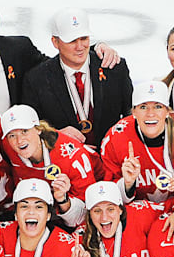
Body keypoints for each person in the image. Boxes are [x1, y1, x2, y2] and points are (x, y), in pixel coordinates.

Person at [21, 8, 134, 150]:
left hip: (112, 160)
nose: (80, 47)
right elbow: (29, 128)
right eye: (72, 41)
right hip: (66, 165)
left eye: (84, 38)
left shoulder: (114, 67)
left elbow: (132, 114)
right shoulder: (36, 79)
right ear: (55, 42)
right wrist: (54, 135)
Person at [0, 104, 92, 223]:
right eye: (12, 135)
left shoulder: (72, 157)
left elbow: (86, 214)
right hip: (36, 210)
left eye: (25, 131)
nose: (19, 141)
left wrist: (63, 200)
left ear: (38, 129)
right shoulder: (8, 146)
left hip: (72, 211)